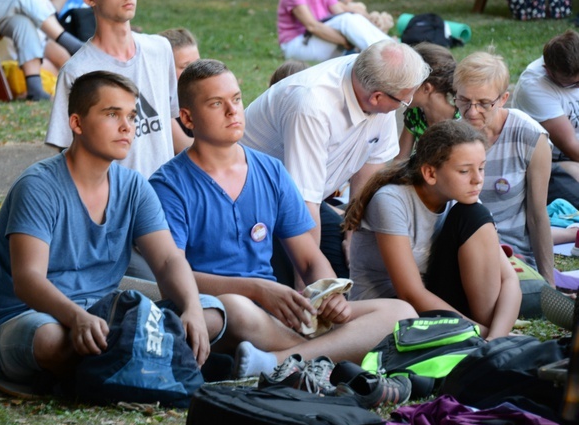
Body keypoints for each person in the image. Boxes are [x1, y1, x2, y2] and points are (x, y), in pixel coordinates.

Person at [149, 59, 417, 381]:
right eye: (216, 104)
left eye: (236, 99)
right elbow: (172, 275)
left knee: (400, 313)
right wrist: (258, 290)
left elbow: (308, 258)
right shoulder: (168, 185)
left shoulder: (270, 170)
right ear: (188, 118)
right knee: (234, 308)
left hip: (275, 315)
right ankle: (333, 353)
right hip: (221, 311)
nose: (233, 111)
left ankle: (279, 360)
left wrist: (327, 294)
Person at [0, 71, 225, 385]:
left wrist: (190, 307)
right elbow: (27, 281)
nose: (126, 127)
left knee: (211, 312)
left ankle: (129, 363)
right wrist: (77, 318)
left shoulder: (133, 186)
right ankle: (156, 360)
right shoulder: (38, 186)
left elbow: (167, 260)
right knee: (54, 341)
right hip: (30, 319)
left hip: (104, 313)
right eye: (112, 115)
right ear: (77, 124)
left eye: (132, 117)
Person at [240, 40, 430, 279]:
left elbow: (369, 172)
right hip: (250, 206)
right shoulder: (312, 106)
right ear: (376, 97)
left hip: (304, 201)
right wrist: (308, 287)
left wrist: (352, 233)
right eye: (404, 101)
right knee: (293, 290)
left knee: (345, 274)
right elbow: (303, 203)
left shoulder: (373, 84)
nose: (407, 104)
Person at [344, 119, 521, 340]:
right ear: (430, 173)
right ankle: (478, 343)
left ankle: (484, 347)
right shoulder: (391, 200)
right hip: (393, 313)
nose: (478, 179)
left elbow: (509, 280)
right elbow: (410, 294)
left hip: (442, 310)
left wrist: (495, 337)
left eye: (482, 168)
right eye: (465, 171)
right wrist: (480, 334)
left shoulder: (463, 199)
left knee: (475, 215)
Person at [46, 0, 192, 175]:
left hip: (164, 195)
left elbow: (163, 122)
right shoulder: (77, 71)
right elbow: (67, 152)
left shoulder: (160, 49)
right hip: (115, 201)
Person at [454, 50, 554, 286]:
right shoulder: (451, 137)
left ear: (503, 98)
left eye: (483, 104)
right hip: (464, 252)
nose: (471, 112)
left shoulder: (529, 136)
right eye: (463, 100)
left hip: (513, 257)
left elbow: (537, 215)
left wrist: (549, 284)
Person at [513, 30, 579, 211]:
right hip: (552, 164)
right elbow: (572, 148)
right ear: (548, 71)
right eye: (574, 84)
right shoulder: (534, 85)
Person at [395, 43, 459, 162]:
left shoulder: (461, 117)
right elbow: (399, 161)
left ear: (427, 88)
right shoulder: (415, 114)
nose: (400, 87)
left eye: (407, 81)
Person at [158, 27, 201, 138]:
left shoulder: (201, 95)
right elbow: (185, 146)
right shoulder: (160, 105)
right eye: (185, 66)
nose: (195, 70)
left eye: (197, 63)